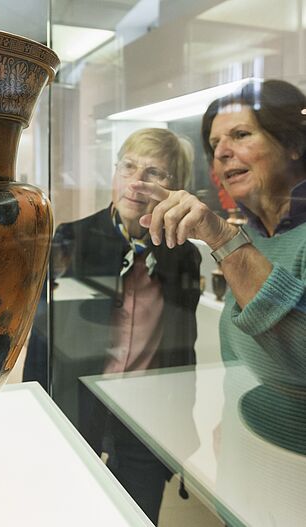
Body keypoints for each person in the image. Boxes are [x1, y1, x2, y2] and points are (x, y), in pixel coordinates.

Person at [24, 127, 201, 524]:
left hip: (146, 417)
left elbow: (184, 345)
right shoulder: (72, 239)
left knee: (136, 516)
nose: (137, 182)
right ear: (115, 172)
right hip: (78, 405)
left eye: (155, 173)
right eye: (129, 166)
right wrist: (37, 413)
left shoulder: (183, 254)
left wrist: (182, 424)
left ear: (176, 188)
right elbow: (42, 338)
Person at [132, 79, 306, 389]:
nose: (222, 152)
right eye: (214, 145)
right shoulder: (256, 236)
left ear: (294, 144)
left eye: (241, 135)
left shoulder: (239, 244)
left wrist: (225, 240)